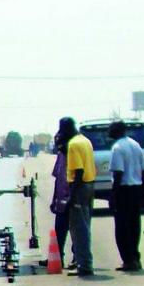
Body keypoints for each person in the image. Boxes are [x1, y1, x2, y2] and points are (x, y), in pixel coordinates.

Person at [107, 120, 144, 271]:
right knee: (134, 225)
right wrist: (143, 191)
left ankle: (128, 260)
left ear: (117, 130)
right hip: (136, 188)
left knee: (122, 228)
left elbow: (118, 173)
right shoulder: (136, 145)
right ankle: (135, 257)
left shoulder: (117, 147)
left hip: (124, 190)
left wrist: (113, 195)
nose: (108, 131)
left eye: (111, 129)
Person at [63, 116, 96, 276]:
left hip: (80, 187)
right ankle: (83, 262)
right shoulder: (85, 140)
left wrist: (71, 197)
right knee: (85, 225)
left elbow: (79, 172)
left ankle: (84, 265)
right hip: (90, 186)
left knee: (79, 228)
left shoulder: (73, 145)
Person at [50, 118, 74, 267]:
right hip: (61, 198)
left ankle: (77, 257)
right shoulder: (61, 155)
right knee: (60, 228)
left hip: (72, 195)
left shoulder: (74, 150)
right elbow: (57, 177)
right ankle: (57, 258)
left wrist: (73, 196)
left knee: (75, 230)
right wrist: (54, 199)